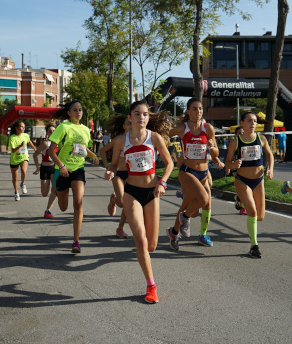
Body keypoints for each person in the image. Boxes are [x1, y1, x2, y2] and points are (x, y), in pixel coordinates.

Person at [105, 100, 173, 304]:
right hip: (131, 192)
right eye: (137, 114)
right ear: (129, 117)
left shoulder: (155, 138)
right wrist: (111, 170)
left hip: (152, 193)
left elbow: (169, 164)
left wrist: (162, 183)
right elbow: (116, 165)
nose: (141, 117)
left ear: (148, 117)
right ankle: (151, 286)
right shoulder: (120, 140)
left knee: (151, 246)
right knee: (141, 240)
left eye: (144, 114)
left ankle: (148, 262)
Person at [166, 98, 224, 250]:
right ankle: (184, 218)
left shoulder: (208, 128)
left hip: (203, 172)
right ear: (187, 111)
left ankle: (174, 232)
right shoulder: (182, 128)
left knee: (189, 206)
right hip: (187, 171)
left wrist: (212, 147)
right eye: (194, 109)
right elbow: (164, 138)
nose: (198, 111)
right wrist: (168, 153)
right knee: (204, 199)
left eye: (200, 108)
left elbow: (216, 152)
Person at [47, 102, 100, 254]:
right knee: (63, 208)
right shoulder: (63, 127)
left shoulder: (85, 129)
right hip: (62, 169)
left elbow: (82, 147)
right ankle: (59, 191)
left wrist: (92, 155)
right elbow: (52, 151)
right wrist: (61, 166)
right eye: (75, 110)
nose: (78, 112)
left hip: (78, 169)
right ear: (69, 113)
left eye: (80, 110)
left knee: (78, 202)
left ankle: (76, 241)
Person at [224, 111, 275, 258]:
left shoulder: (262, 138)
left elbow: (270, 155)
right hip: (242, 180)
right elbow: (227, 162)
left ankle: (240, 200)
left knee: (260, 217)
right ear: (242, 123)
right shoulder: (235, 142)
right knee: (252, 212)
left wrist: (270, 169)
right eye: (249, 121)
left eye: (254, 121)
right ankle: (254, 246)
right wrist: (234, 164)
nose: (253, 123)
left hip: (259, 180)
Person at [100, 117, 132, 239]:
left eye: (132, 124)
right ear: (123, 126)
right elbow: (103, 151)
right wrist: (107, 167)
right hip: (117, 173)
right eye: (128, 124)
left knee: (127, 203)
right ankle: (113, 200)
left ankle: (120, 228)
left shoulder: (136, 140)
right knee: (121, 203)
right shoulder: (119, 140)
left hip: (131, 174)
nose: (131, 126)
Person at [33, 123, 58, 217]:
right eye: (50, 131)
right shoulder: (45, 143)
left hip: (54, 168)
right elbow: (35, 155)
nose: (52, 132)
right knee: (44, 193)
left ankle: (48, 210)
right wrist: (37, 167)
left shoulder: (58, 143)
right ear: (47, 133)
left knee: (55, 189)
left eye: (54, 131)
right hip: (44, 168)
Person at [8, 120, 36, 201]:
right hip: (14, 159)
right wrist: (20, 145)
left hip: (24, 157)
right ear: (16, 128)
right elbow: (13, 150)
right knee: (15, 178)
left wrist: (34, 148)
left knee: (24, 171)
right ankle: (16, 193)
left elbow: (29, 141)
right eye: (20, 126)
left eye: (23, 127)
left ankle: (23, 184)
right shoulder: (12, 137)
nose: (22, 128)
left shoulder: (26, 135)